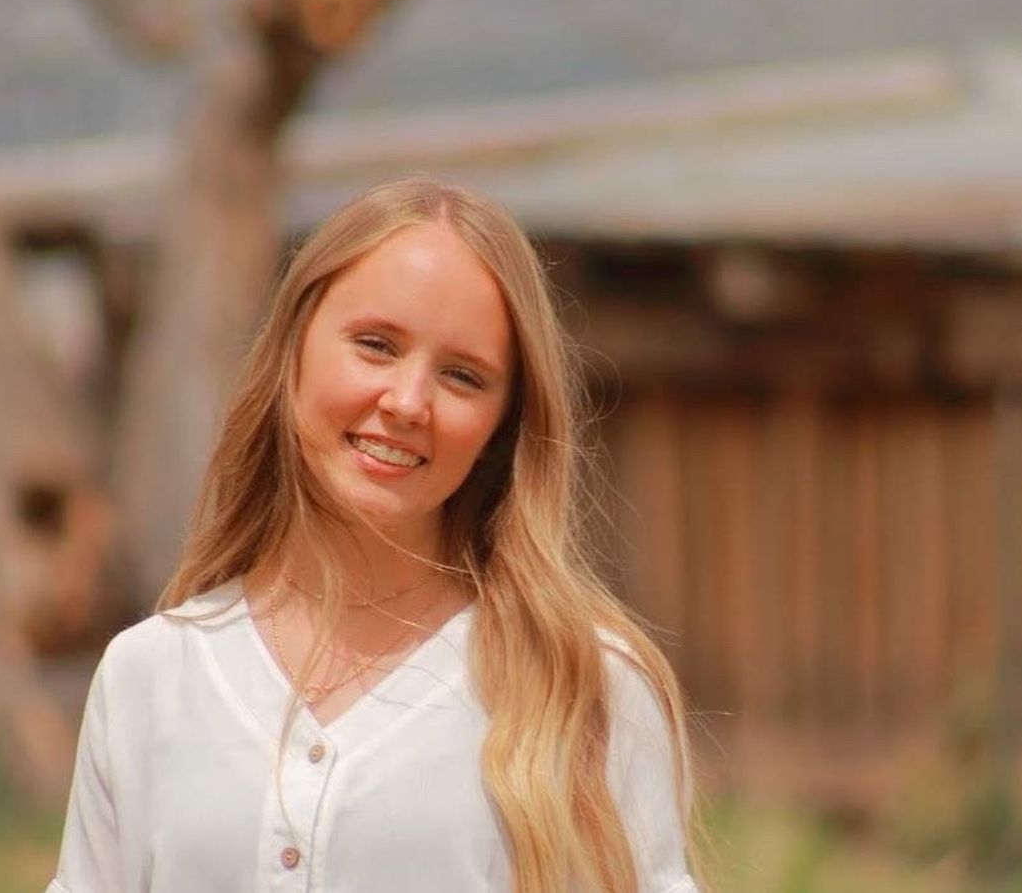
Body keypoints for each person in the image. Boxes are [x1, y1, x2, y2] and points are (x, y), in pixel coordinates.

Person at [47, 177, 701, 893]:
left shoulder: (583, 686)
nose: (408, 402)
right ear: (294, 346)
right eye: (376, 345)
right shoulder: (150, 676)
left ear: (503, 424)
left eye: (462, 376)